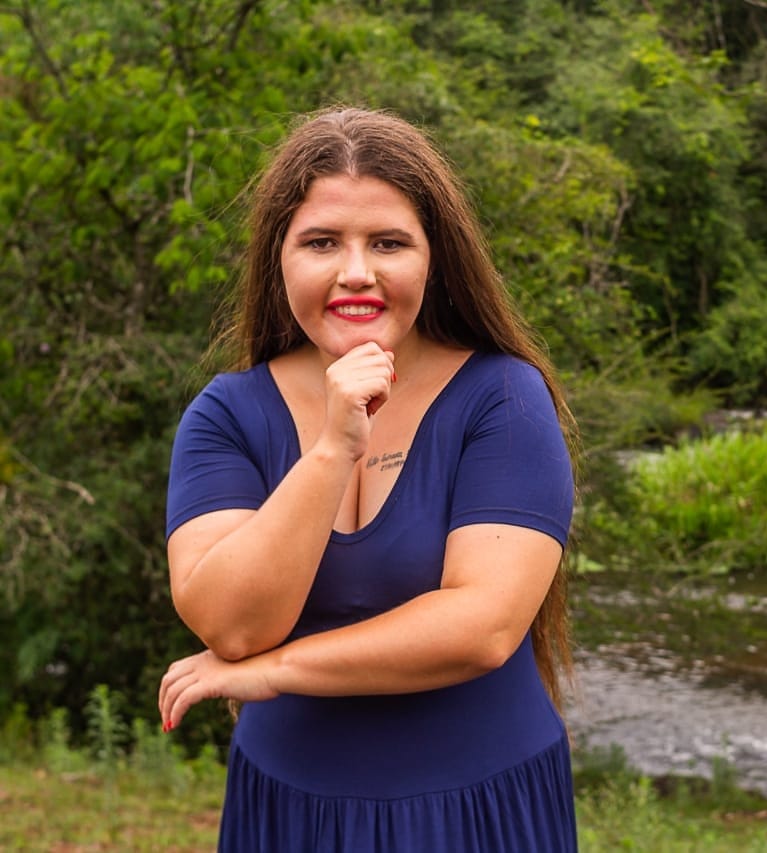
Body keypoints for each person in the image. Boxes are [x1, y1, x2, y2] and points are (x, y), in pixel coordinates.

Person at [157, 106, 579, 852]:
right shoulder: (226, 414)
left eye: (388, 242)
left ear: (434, 258)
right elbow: (230, 624)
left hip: (478, 812)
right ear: (279, 258)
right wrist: (331, 447)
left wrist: (280, 669)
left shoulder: (506, 397)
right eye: (321, 242)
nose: (357, 272)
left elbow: (483, 626)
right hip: (288, 813)